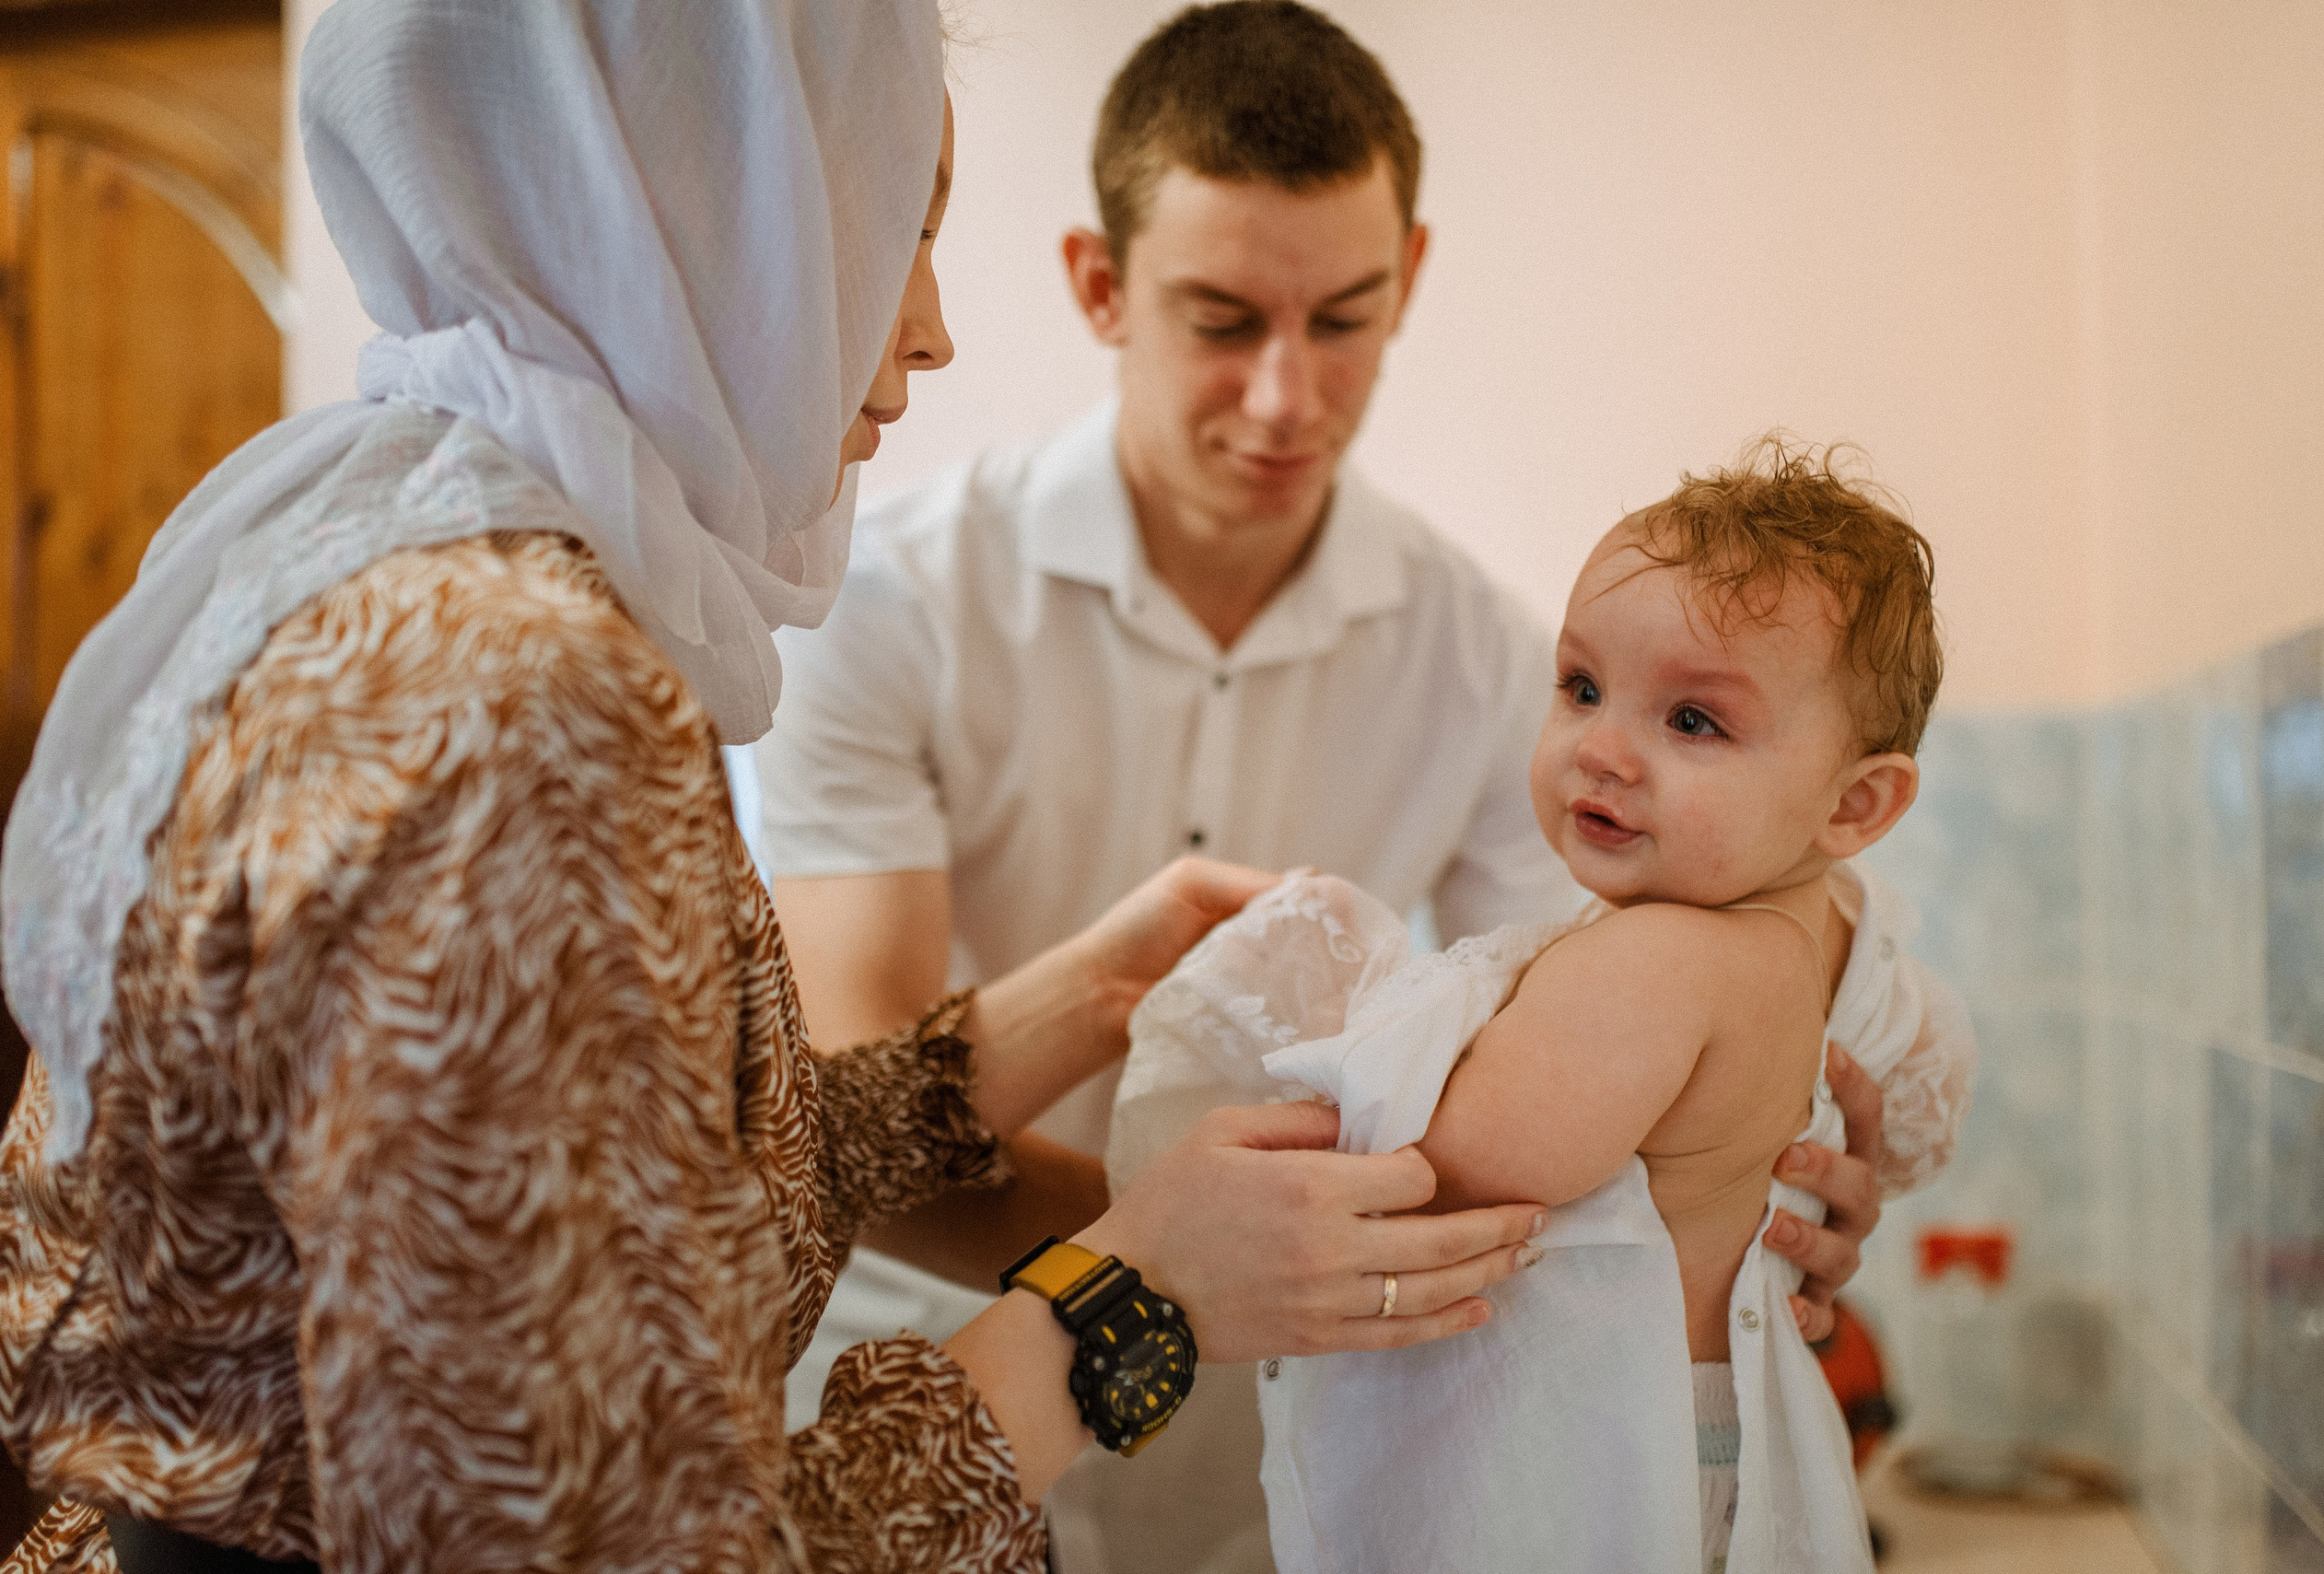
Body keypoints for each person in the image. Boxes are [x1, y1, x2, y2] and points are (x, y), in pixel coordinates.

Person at [0, 6, 1550, 1572]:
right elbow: (617, 1549)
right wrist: (1131, 1292)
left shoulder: (395, 549)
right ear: (687, 214)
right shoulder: (530, 706)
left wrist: (1057, 1011)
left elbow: (640, 1172)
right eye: (897, 227)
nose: (933, 325)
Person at [754, 6, 1956, 1569]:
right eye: (1222, 317)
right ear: (1100, 286)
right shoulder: (888, 608)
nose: (1283, 398)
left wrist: (1735, 1208)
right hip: (930, 1421)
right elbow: (844, 1113)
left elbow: (1608, 1071)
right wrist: (1174, 1252)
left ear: (1412, 281)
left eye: (1342, 319)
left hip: (1297, 1456)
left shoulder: (1500, 661)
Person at [1111, 442, 1977, 1573]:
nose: (1602, 748)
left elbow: (1450, 1163)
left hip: (1600, 1478)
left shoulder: (1670, 956)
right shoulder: (1812, 942)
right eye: (1580, 687)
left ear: (1856, 802)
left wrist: (1343, 1018)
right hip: (1669, 1448)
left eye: (1693, 722)